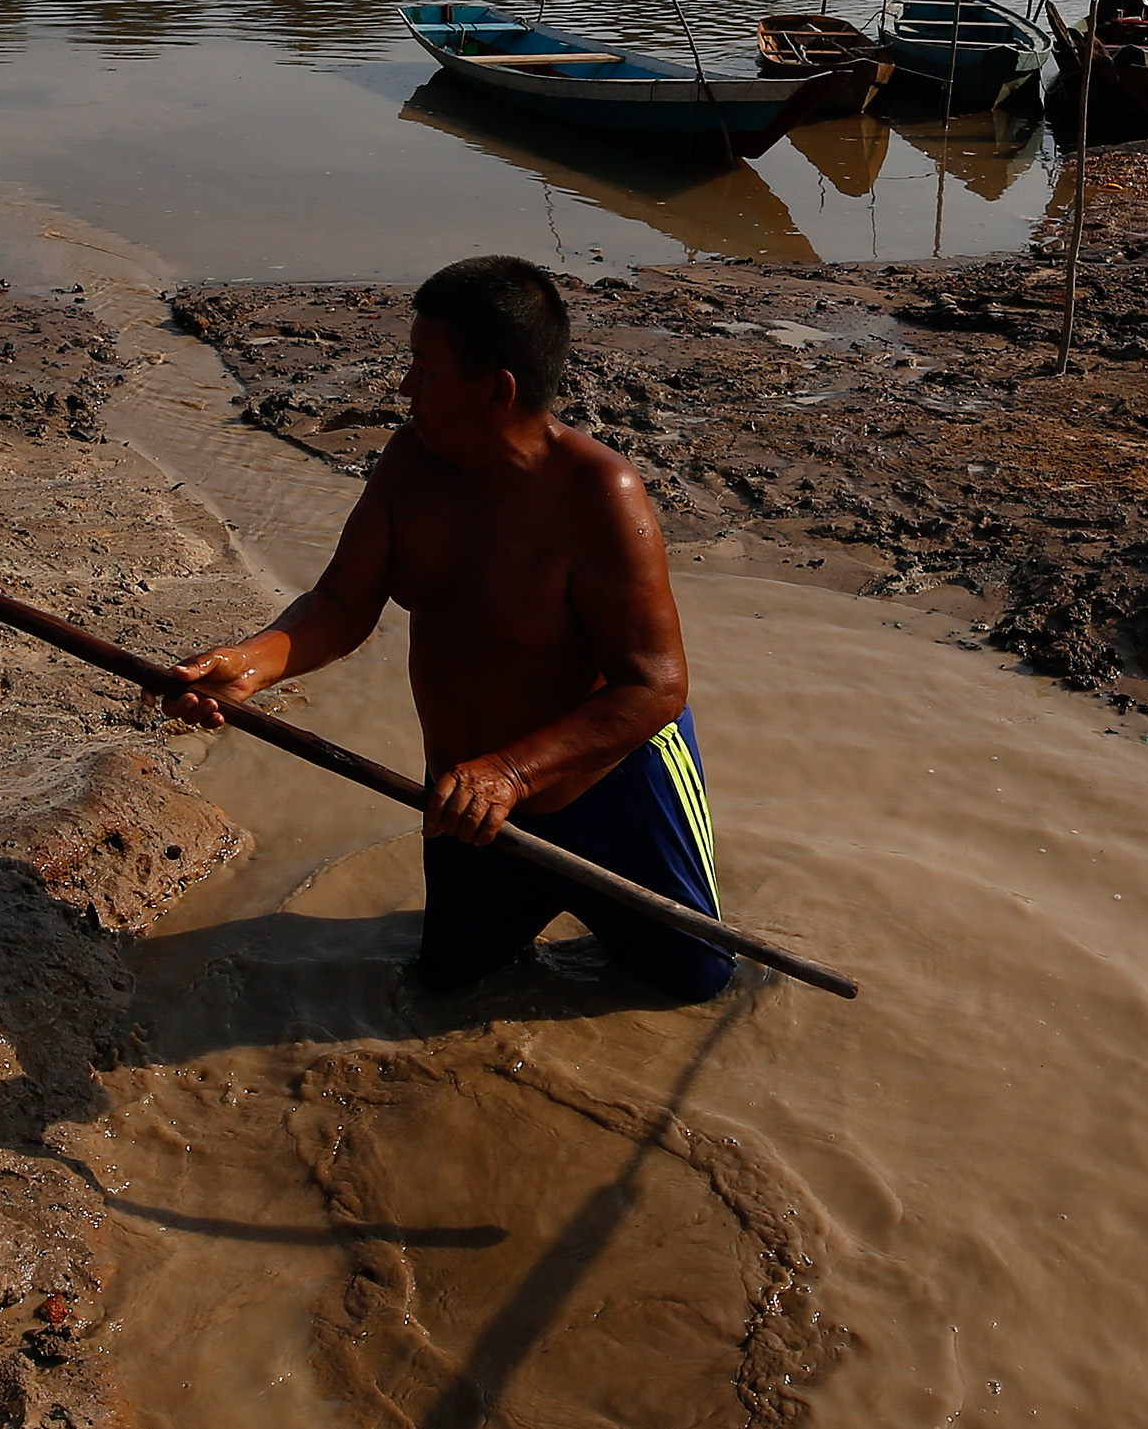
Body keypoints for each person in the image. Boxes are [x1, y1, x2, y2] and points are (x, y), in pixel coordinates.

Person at [164, 256, 731, 1006]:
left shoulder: (599, 497)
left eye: (424, 371)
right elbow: (341, 602)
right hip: (470, 807)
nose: (405, 391)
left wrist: (514, 772)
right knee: (450, 982)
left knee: (693, 984)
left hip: (611, 792)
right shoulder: (410, 466)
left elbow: (655, 685)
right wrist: (248, 664)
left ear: (496, 389)